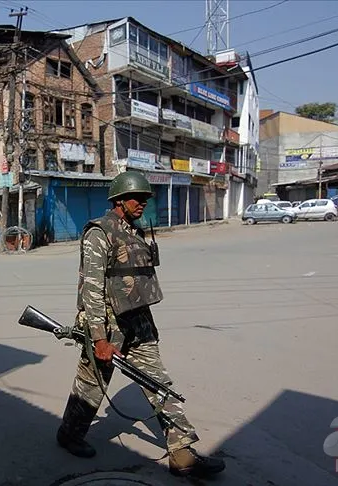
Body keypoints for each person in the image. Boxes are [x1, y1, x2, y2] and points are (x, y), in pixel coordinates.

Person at [55, 171, 225, 478]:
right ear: (119, 201)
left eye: (146, 199)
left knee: (160, 386)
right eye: (138, 198)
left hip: (138, 326)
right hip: (107, 329)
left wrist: (148, 326)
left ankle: (182, 453)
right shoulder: (99, 233)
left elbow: (135, 286)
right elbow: (91, 290)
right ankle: (69, 435)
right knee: (91, 387)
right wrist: (98, 338)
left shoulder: (134, 232)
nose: (143, 204)